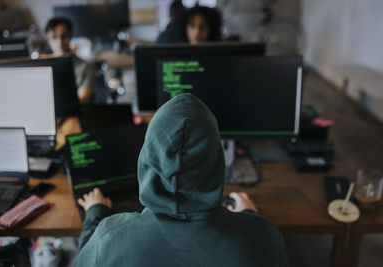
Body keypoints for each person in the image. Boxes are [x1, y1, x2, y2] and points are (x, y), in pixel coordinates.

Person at [74, 94, 288, 266]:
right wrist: (249, 215)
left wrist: (95, 214)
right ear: (216, 158)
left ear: (147, 157)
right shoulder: (263, 237)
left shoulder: (109, 238)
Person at [45, 17, 96, 104]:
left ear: (71, 35)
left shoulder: (85, 66)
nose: (59, 42)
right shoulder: (43, 67)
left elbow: (82, 99)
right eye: (54, 37)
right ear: (47, 39)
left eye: (64, 36)